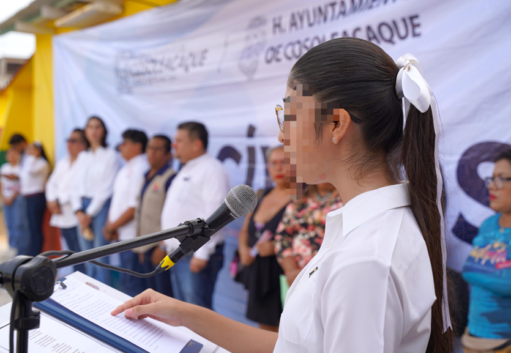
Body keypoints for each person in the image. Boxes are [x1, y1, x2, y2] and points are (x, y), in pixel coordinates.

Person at [111, 38, 453, 353]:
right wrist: (185, 314)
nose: (281, 133)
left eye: (288, 114)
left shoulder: (366, 260)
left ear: (337, 124)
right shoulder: (365, 232)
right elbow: (297, 346)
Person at [160, 122, 231, 309]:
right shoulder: (187, 168)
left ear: (196, 145)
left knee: (197, 314)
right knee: (182, 312)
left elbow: (215, 215)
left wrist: (203, 253)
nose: (173, 145)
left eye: (179, 141)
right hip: (178, 253)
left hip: (194, 254)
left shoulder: (212, 169)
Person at [461, 150, 511, 353]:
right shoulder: (488, 225)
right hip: (473, 340)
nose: (491, 185)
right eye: (492, 178)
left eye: (502, 179)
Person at [237, 145, 290, 332]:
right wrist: (243, 249)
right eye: (273, 163)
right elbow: (245, 230)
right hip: (259, 273)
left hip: (283, 273)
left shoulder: (302, 197)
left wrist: (276, 246)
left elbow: (308, 238)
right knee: (264, 331)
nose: (278, 168)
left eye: (284, 162)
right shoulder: (262, 194)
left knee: (285, 333)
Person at [73, 116, 121, 285]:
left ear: (104, 131)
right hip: (82, 207)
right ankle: (90, 293)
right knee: (86, 256)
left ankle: (104, 295)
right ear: (85, 131)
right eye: (90, 127)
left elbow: (106, 188)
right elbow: (75, 184)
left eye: (97, 127)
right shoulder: (83, 156)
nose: (93, 131)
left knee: (100, 257)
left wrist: (89, 213)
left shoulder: (110, 155)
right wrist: (78, 210)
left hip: (100, 207)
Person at [103, 129, 149, 296]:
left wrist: (111, 227)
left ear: (137, 146)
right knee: (125, 282)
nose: (120, 147)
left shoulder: (141, 168)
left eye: (124, 143)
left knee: (132, 286)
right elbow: (117, 202)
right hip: (120, 234)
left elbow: (133, 207)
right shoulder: (126, 168)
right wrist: (110, 224)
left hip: (132, 237)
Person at [132, 135, 176, 297]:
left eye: (157, 149)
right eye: (149, 148)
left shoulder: (171, 178)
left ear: (167, 154)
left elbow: (172, 215)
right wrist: (141, 246)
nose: (152, 152)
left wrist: (162, 246)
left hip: (159, 248)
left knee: (162, 295)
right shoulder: (147, 175)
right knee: (148, 294)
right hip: (145, 245)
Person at [274, 182, 342, 286]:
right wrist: (292, 271)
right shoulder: (299, 200)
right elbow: (282, 236)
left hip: (330, 275)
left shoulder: (345, 200)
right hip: (296, 277)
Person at [45, 129, 88, 274]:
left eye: (73, 140)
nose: (69, 144)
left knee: (81, 253)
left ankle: (85, 282)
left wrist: (59, 200)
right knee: (69, 251)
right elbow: (51, 183)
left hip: (77, 213)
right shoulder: (63, 161)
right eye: (68, 140)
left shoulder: (85, 160)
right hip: (61, 213)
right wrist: (51, 201)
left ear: (83, 143)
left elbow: (77, 187)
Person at [20, 141, 50, 256]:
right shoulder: (29, 161)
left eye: (32, 149)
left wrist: (32, 157)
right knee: (30, 227)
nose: (29, 152)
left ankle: (36, 253)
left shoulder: (42, 163)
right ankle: (31, 252)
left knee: (36, 228)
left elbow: (31, 171)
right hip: (28, 197)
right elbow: (22, 174)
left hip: (37, 197)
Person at [0, 148, 28, 256]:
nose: (12, 157)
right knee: (9, 223)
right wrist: (3, 197)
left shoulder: (21, 168)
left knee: (18, 223)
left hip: (17, 199)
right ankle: (10, 245)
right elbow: (0, 183)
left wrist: (12, 197)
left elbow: (21, 184)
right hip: (5, 199)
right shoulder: (4, 167)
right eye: (9, 155)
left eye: (14, 154)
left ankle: (17, 246)